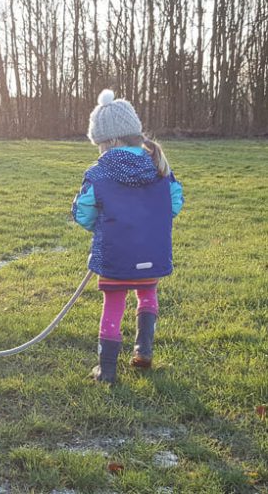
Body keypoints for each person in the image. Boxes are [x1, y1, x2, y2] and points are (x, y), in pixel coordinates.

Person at [72, 89, 184, 384]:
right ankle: (143, 352)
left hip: (115, 255)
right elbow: (174, 203)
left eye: (99, 145)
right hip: (152, 253)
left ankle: (106, 371)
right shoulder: (160, 167)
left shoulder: (97, 172)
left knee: (114, 304)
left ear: (111, 141)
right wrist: (151, 222)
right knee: (147, 294)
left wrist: (99, 226)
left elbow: (82, 211)